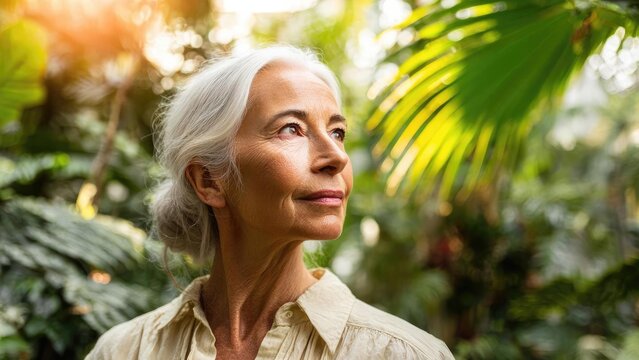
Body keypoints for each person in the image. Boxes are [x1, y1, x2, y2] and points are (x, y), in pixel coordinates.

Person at [86, 46, 454, 360]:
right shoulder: (124, 351)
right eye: (291, 129)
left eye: (337, 132)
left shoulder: (403, 353)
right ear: (210, 180)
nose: (337, 157)